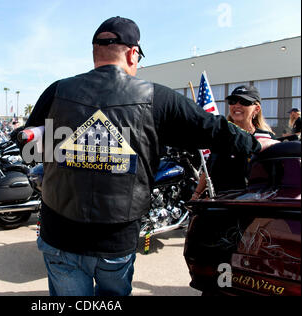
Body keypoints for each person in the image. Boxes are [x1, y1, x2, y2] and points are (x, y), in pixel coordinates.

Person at [21, 16, 278, 297]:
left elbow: (28, 144)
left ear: (95, 51)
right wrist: (260, 146)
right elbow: (215, 129)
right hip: (115, 241)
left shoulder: (57, 90)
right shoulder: (158, 97)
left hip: (60, 233)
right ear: (133, 53)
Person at [192, 85, 277, 199]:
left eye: (244, 102)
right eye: (232, 101)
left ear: (256, 109)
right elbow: (209, 168)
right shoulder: (221, 136)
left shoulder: (265, 138)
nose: (237, 105)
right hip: (222, 203)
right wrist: (196, 194)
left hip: (254, 205)